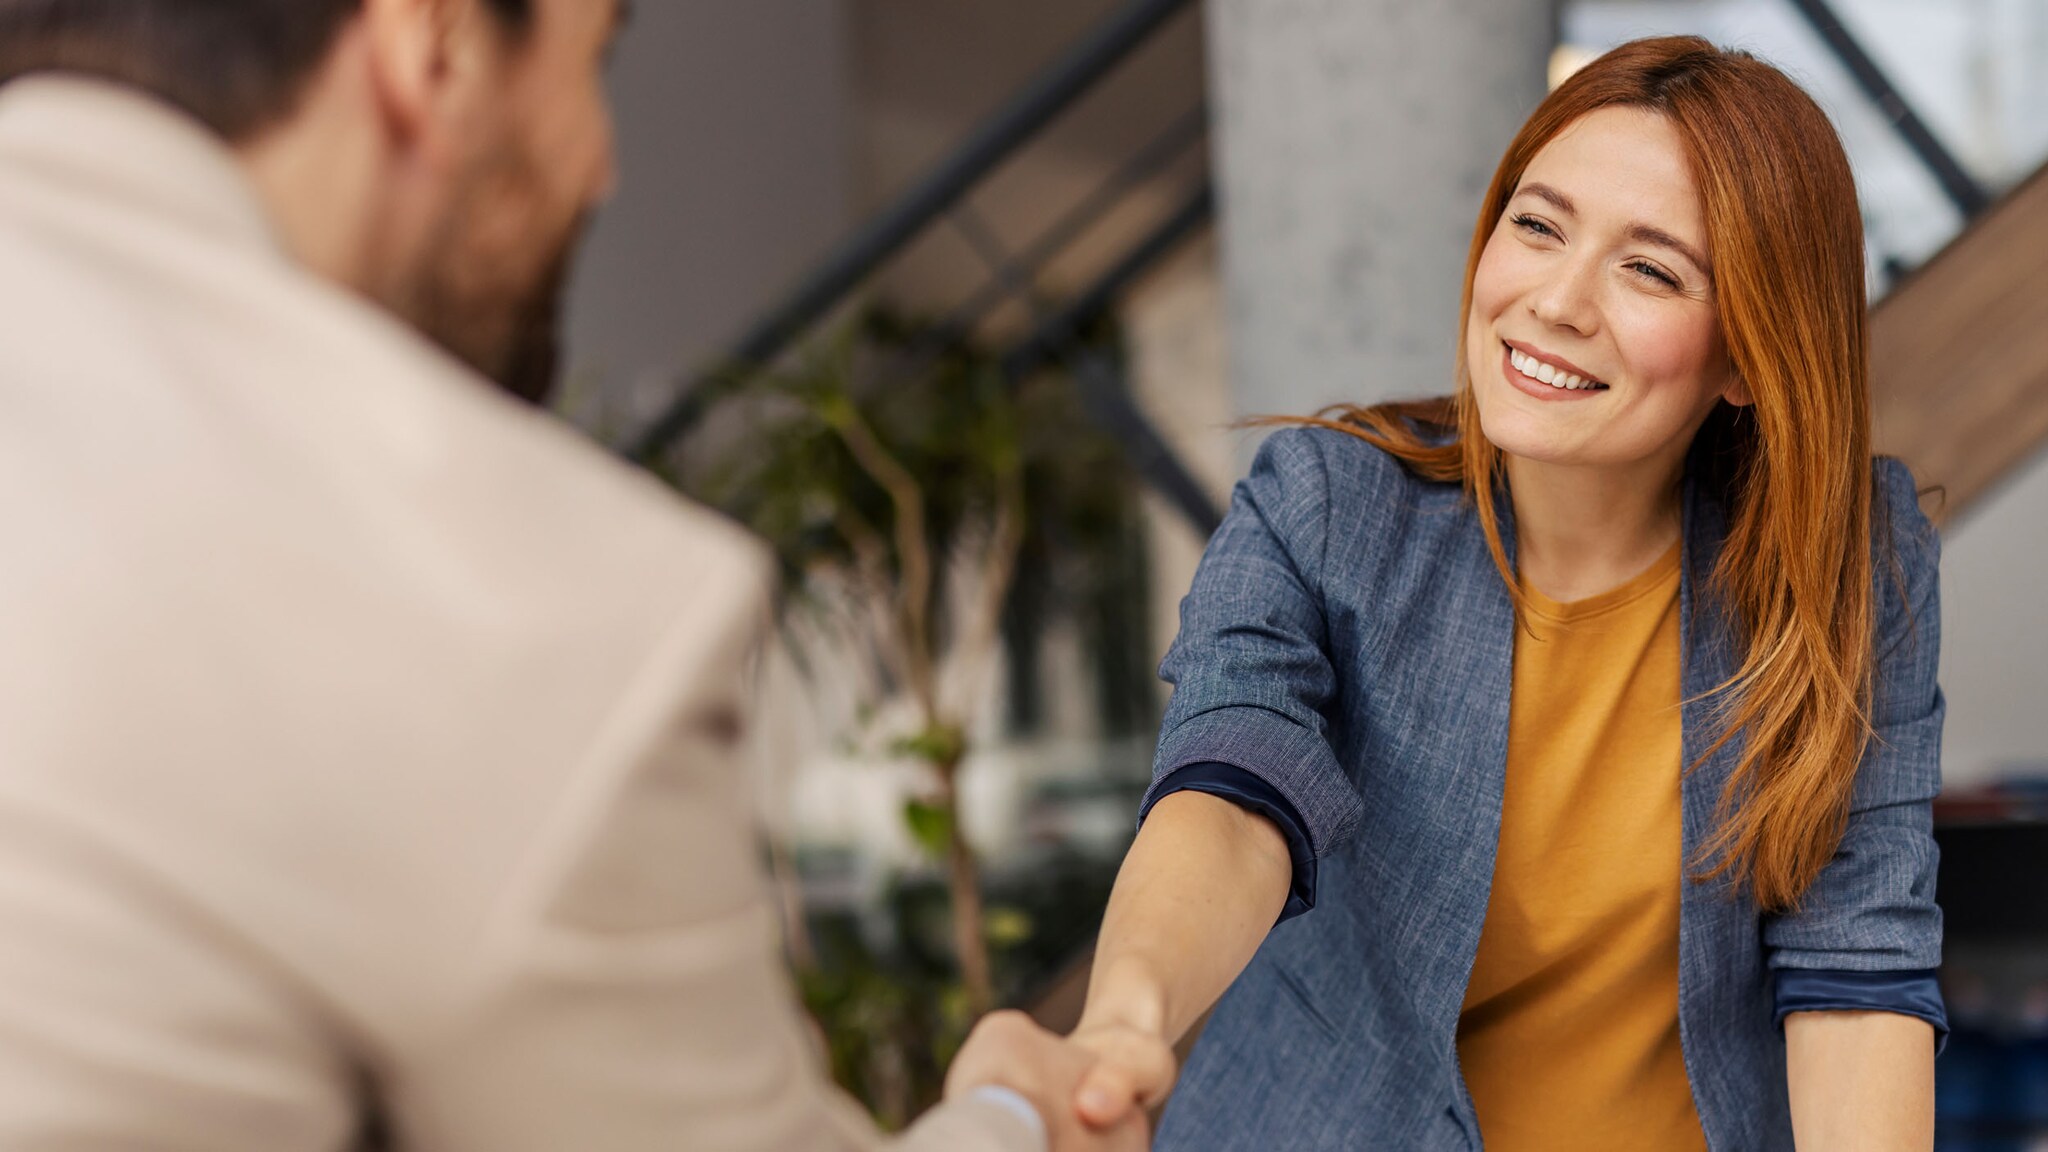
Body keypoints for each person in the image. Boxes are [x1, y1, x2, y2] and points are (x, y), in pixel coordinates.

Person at [0, 2, 1141, 1149]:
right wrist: (1012, 1120)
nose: (600, 170)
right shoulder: (501, 604)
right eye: (593, 63)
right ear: (431, 45)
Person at [1051, 36, 1947, 1151]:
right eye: (1537, 224)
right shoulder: (1330, 507)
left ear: (1747, 359)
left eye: (1651, 269)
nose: (1557, 301)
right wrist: (1127, 1019)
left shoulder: (1850, 558)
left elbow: (1856, 966)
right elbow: (1233, 790)